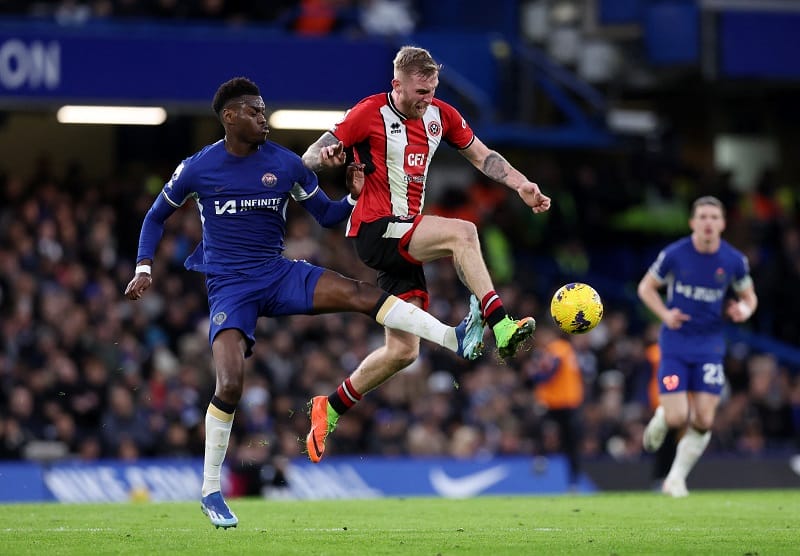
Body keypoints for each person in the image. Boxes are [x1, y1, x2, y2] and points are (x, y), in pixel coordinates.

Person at [124, 77, 485, 529]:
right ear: (230, 117)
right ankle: (210, 491)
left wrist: (352, 194)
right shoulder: (197, 168)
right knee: (231, 384)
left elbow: (328, 217)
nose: (264, 119)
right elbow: (156, 215)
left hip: (277, 274)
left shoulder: (287, 164)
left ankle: (452, 336)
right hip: (230, 287)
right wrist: (143, 266)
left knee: (360, 293)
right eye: (255, 112)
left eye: (265, 110)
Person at [301, 45, 551, 463]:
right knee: (463, 232)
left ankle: (330, 407)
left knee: (403, 352)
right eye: (420, 91)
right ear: (396, 84)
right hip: (377, 228)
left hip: (406, 237)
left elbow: (483, 156)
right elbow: (312, 153)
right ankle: (500, 323)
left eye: (432, 90)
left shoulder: (442, 116)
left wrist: (522, 184)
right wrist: (324, 158)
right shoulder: (369, 112)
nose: (427, 99)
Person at [637, 195, 758, 497]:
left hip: (709, 346)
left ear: (722, 224)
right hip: (676, 344)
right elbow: (645, 287)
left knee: (704, 419)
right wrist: (665, 314)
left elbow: (749, 297)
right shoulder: (675, 254)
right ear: (692, 222)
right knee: (678, 417)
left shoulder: (733, 261)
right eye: (702, 217)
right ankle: (663, 417)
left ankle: (675, 478)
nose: (708, 223)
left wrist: (744, 311)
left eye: (713, 217)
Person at [525, 324, 584, 490]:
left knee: (567, 441)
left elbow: (551, 373)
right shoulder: (562, 350)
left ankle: (542, 459)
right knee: (567, 442)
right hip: (562, 402)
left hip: (561, 403)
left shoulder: (558, 348)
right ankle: (571, 481)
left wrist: (534, 376)